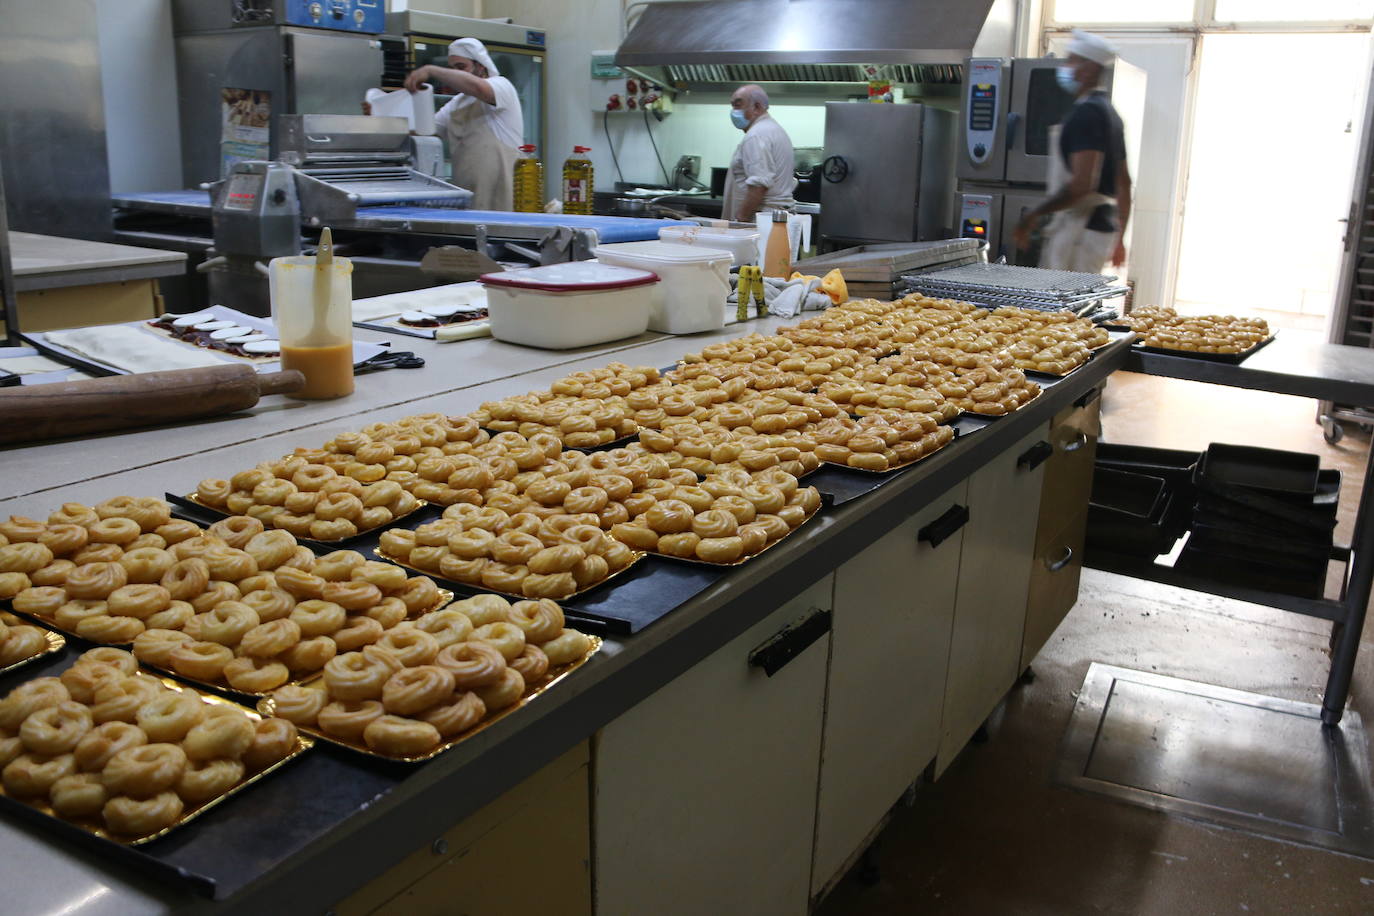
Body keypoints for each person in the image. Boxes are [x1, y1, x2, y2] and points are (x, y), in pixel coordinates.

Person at [1013, 30, 1132, 274]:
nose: (1066, 67)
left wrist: (1032, 216)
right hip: (1099, 229)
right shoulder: (1110, 114)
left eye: (1071, 60)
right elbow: (1124, 183)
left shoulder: (1087, 114)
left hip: (1080, 230)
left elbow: (1081, 185)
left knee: (1064, 307)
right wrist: (1120, 238)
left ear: (1089, 69)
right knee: (1076, 305)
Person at [402, 38, 524, 211]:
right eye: (452, 69)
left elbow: (480, 89)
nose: (454, 75)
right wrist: (381, 116)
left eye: (461, 67)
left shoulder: (502, 86)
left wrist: (432, 70)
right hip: (466, 197)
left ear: (480, 66)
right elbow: (424, 132)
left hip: (500, 195)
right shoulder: (456, 103)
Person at [723, 85, 796, 223]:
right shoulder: (773, 129)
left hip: (760, 220)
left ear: (756, 107)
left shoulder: (756, 135)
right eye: (732, 106)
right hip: (774, 218)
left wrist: (741, 219)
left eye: (738, 105)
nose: (733, 112)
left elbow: (759, 184)